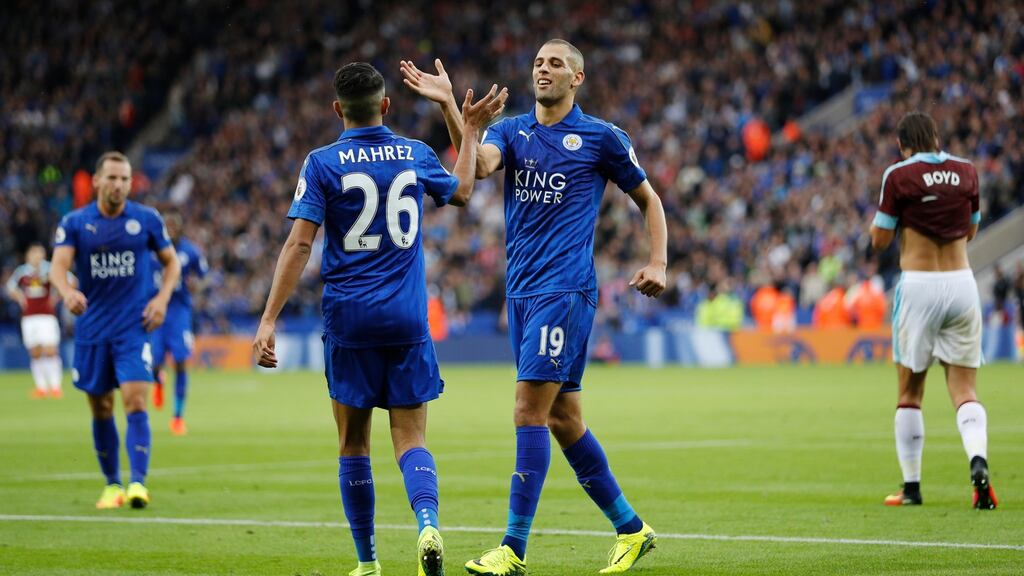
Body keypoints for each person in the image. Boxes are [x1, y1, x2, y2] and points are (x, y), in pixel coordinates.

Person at [401, 38, 667, 575]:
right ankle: (632, 529)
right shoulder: (512, 131)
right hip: (522, 293)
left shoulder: (601, 138)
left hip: (564, 291)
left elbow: (649, 199)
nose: (543, 70)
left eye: (556, 64)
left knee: (528, 411)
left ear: (578, 78)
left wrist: (658, 260)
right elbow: (472, 172)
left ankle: (513, 548)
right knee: (565, 419)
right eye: (539, 63)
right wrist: (455, 112)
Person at [252, 62, 506, 576]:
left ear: (336, 108)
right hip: (409, 319)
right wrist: (460, 119)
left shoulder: (322, 163)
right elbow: (462, 192)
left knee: (353, 444)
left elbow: (301, 243)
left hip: (350, 320)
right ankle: (428, 522)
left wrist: (268, 318)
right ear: (386, 105)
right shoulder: (414, 153)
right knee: (411, 440)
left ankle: (368, 562)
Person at [869, 111, 996, 510]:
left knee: (909, 392)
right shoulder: (967, 171)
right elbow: (971, 230)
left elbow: (879, 240)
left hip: (920, 284)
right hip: (962, 282)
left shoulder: (899, 174)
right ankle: (978, 462)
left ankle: (912, 487)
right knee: (965, 390)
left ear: (902, 144)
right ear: (937, 137)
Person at [50, 151, 181, 510]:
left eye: (125, 179)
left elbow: (172, 265)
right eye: (112, 178)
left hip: (133, 327)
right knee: (102, 407)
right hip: (92, 329)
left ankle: (138, 483)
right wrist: (67, 292)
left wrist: (162, 299)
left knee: (135, 399)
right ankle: (112, 485)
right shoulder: (75, 223)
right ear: (96, 181)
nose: (119, 185)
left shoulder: (147, 219)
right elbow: (58, 267)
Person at [150, 212, 208, 435]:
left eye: (175, 226)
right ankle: (158, 379)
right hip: (156, 310)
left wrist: (197, 287)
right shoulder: (150, 250)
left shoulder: (189, 251)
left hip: (179, 312)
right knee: (153, 363)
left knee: (181, 361)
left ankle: (177, 416)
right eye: (168, 226)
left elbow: (204, 276)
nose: (171, 230)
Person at [6, 243, 65, 398]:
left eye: (40, 253)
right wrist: (19, 298)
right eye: (34, 253)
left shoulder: (50, 269)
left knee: (51, 350)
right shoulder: (22, 272)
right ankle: (41, 387)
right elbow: (9, 287)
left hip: (47, 316)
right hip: (29, 317)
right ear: (28, 255)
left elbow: (70, 281)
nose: (37, 256)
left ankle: (56, 387)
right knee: (35, 352)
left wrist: (56, 297)